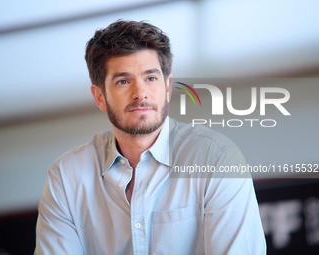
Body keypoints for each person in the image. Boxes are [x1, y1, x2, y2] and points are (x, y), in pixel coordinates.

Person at [34, 20, 266, 254]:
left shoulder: (216, 159)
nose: (140, 93)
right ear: (100, 97)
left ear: (167, 87)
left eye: (151, 78)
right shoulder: (66, 177)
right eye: (123, 81)